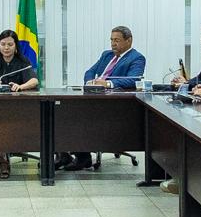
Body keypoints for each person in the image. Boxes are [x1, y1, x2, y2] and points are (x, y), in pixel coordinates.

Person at [60, 26, 147, 172]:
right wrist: (90, 82)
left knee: (77, 114)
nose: (113, 44)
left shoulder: (137, 58)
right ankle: (63, 155)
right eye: (111, 40)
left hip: (115, 103)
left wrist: (107, 84)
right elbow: (90, 71)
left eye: (117, 40)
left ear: (129, 40)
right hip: (95, 96)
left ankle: (83, 156)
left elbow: (133, 79)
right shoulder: (107, 55)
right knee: (64, 108)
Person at [0, 30, 39, 179]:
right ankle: (3, 161)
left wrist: (21, 87)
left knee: (3, 123)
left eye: (10, 44)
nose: (6, 48)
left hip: (17, 110)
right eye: (3, 44)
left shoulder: (22, 61)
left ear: (16, 46)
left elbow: (34, 81)